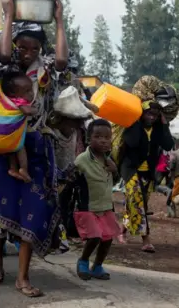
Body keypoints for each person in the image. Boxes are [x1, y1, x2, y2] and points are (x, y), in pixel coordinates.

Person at [0, 0, 69, 297]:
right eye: (23, 46)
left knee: (34, 206)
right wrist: (8, 16)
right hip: (4, 145)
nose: (29, 53)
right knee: (4, 205)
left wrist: (59, 21)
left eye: (35, 48)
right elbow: (3, 55)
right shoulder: (3, 69)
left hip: (37, 144)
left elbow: (64, 61)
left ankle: (23, 277)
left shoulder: (44, 70)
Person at [118, 100, 173, 252]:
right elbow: (133, 142)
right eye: (149, 114)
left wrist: (164, 124)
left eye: (155, 115)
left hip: (148, 172)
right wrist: (136, 121)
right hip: (130, 170)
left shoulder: (157, 129)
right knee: (137, 202)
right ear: (141, 113)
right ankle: (146, 239)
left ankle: (121, 231)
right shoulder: (132, 126)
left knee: (138, 204)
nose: (152, 118)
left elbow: (168, 144)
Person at [71, 119, 120, 281]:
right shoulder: (82, 160)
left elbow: (116, 181)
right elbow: (72, 181)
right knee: (95, 236)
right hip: (87, 206)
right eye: (98, 136)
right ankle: (83, 261)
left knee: (108, 238)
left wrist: (115, 170)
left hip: (106, 205)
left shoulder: (110, 159)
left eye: (107, 137)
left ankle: (97, 266)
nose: (103, 140)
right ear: (88, 139)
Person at [0, 72, 35, 182]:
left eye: (31, 89)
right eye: (27, 91)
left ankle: (13, 168)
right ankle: (23, 169)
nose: (31, 94)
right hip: (14, 138)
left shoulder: (7, 100)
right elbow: (27, 111)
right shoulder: (20, 101)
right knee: (20, 148)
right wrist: (35, 110)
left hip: (6, 138)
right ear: (14, 93)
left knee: (11, 151)